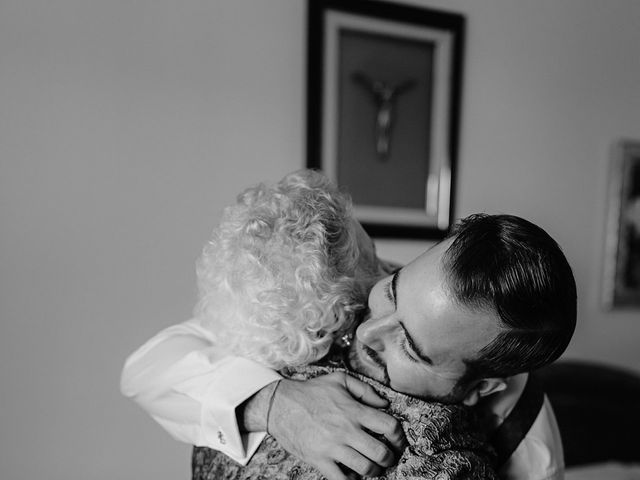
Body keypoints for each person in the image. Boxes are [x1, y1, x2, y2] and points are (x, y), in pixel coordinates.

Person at [121, 172, 576, 480]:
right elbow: (146, 370)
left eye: (410, 348)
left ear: (484, 389)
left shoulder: (527, 443)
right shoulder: (337, 281)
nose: (365, 332)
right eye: (392, 292)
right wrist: (274, 404)